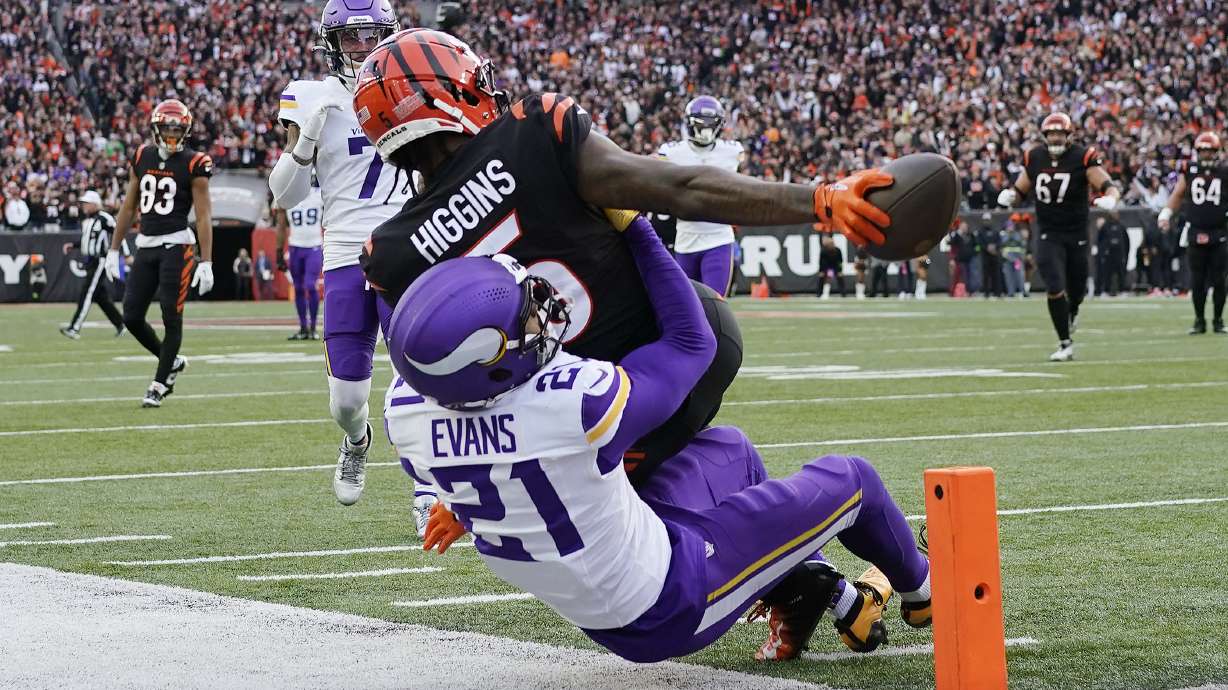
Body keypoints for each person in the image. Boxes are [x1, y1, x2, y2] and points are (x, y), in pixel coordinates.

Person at [357, 29, 892, 490]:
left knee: (648, 534)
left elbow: (435, 390)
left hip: (575, 413)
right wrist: (817, 200)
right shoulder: (535, 130)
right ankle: (824, 575)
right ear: (454, 93)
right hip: (671, 351)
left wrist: (460, 489)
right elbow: (683, 187)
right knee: (678, 524)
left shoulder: (390, 255)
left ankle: (819, 574)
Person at [385, 216, 931, 664]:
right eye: (524, 320)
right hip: (672, 601)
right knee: (854, 480)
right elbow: (694, 343)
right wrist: (634, 225)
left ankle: (812, 591)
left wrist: (460, 506)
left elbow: (466, 460)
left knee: (729, 451)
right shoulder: (570, 404)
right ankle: (923, 592)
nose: (538, 318)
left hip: (610, 583)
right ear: (489, 363)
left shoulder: (405, 411)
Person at [266, 0, 428, 516]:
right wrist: (308, 135)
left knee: (419, 382)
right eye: (349, 36)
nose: (360, 46)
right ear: (330, 42)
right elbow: (284, 197)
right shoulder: (310, 96)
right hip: (342, 254)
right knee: (347, 400)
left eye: (369, 34)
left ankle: (428, 489)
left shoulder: (412, 87)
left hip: (408, 249)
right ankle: (357, 442)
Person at [105, 99, 214, 408]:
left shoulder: (195, 162)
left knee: (171, 314)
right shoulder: (142, 155)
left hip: (177, 246)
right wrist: (114, 249)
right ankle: (171, 361)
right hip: (147, 243)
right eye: (166, 128)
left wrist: (206, 261)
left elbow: (204, 215)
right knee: (132, 315)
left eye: (176, 129)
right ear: (155, 128)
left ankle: (159, 382)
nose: (171, 134)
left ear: (186, 130)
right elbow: (129, 206)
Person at [998, 112, 1121, 361]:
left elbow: (1107, 184)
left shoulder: (1081, 156)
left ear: (1069, 135)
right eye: (1051, 133)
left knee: (1076, 289)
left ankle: (1072, 311)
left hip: (1075, 231)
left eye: (1059, 133)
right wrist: (1011, 195)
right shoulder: (1034, 156)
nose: (1055, 137)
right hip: (1047, 231)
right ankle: (1065, 343)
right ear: (1044, 136)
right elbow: (1022, 187)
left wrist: (1111, 198)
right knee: (1054, 285)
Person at [657, 96, 744, 296]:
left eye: (710, 124)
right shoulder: (673, 152)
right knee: (688, 306)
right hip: (685, 238)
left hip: (718, 237)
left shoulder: (732, 151)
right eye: (701, 124)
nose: (706, 129)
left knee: (715, 305)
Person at [1158, 131, 1227, 334]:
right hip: (1196, 230)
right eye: (1203, 151)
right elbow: (1178, 194)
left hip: (1219, 232)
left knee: (1220, 279)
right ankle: (1199, 320)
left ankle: (1218, 320)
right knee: (1197, 280)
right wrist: (1166, 213)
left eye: (1209, 151)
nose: (1206, 155)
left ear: (1216, 151)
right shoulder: (1190, 170)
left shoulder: (1224, 171)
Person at [60, 190, 124, 340]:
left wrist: (125, 253)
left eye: (86, 203)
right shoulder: (88, 220)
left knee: (87, 293)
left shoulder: (104, 218)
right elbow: (87, 240)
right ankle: (120, 323)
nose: (83, 206)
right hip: (91, 261)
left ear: (95, 204)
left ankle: (74, 327)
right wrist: (73, 245)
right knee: (100, 297)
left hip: (100, 260)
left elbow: (118, 233)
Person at [275, 179, 324, 339]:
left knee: (310, 285)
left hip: (314, 246)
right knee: (298, 288)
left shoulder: (319, 195)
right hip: (295, 246)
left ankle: (313, 328)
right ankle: (303, 328)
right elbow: (281, 225)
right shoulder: (287, 197)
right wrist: (279, 251)